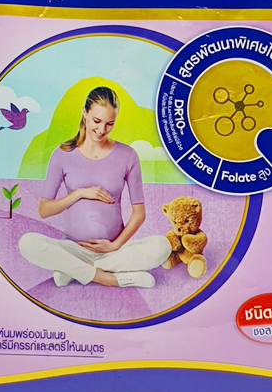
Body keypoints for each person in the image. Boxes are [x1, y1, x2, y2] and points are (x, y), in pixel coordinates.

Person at [18, 86, 171, 288]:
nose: (102, 130)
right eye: (96, 121)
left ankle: (74, 271)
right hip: (73, 248)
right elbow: (44, 210)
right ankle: (109, 278)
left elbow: (139, 213)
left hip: (114, 250)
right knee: (27, 242)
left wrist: (114, 245)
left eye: (110, 124)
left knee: (162, 245)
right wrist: (80, 193)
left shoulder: (128, 155)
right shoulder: (62, 154)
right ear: (84, 112)